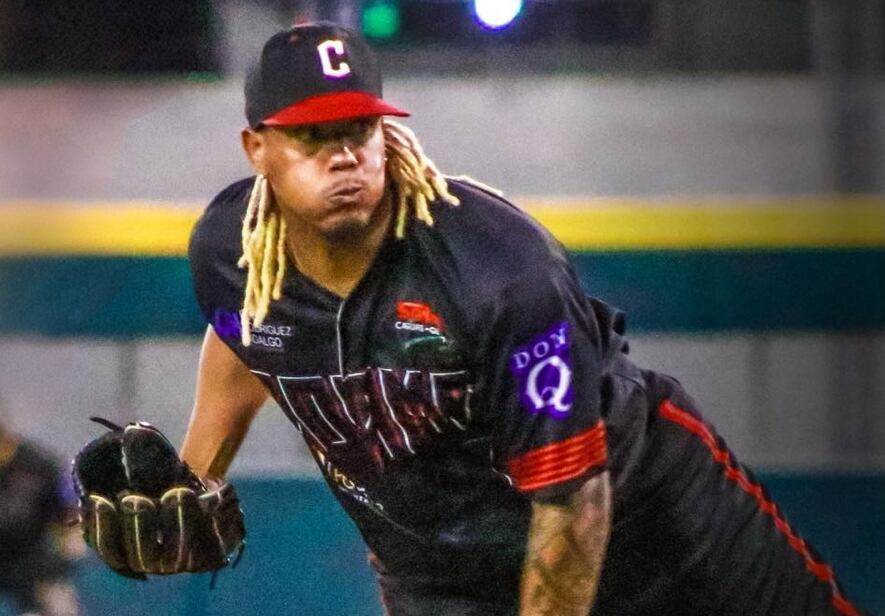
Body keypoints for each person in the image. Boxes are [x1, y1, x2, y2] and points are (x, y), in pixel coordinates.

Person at [182, 21, 867, 616]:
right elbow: (249, 333)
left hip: (654, 524)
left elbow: (572, 499)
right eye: (312, 136)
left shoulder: (496, 269)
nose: (343, 157)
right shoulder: (230, 252)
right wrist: (194, 477)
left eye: (359, 130)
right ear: (256, 148)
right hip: (444, 574)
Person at [0, 409, 80, 616]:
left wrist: (71, 542)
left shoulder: (39, 465)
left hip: (35, 560)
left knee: (60, 608)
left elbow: (70, 510)